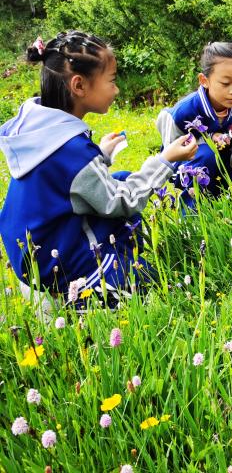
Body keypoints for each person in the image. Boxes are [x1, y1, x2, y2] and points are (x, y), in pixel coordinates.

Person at [0, 31, 197, 312]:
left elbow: (63, 178)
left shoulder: (39, 128)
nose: (116, 90)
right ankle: (83, 292)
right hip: (54, 261)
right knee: (152, 286)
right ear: (79, 85)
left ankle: (114, 262)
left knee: (121, 178)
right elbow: (121, 201)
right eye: (112, 81)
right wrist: (165, 160)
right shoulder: (73, 150)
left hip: (32, 247)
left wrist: (99, 155)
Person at [156, 42, 232, 203]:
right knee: (207, 154)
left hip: (229, 168)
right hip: (194, 168)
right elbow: (171, 155)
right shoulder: (184, 112)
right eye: (226, 83)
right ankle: (193, 212)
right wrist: (207, 139)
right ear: (204, 80)